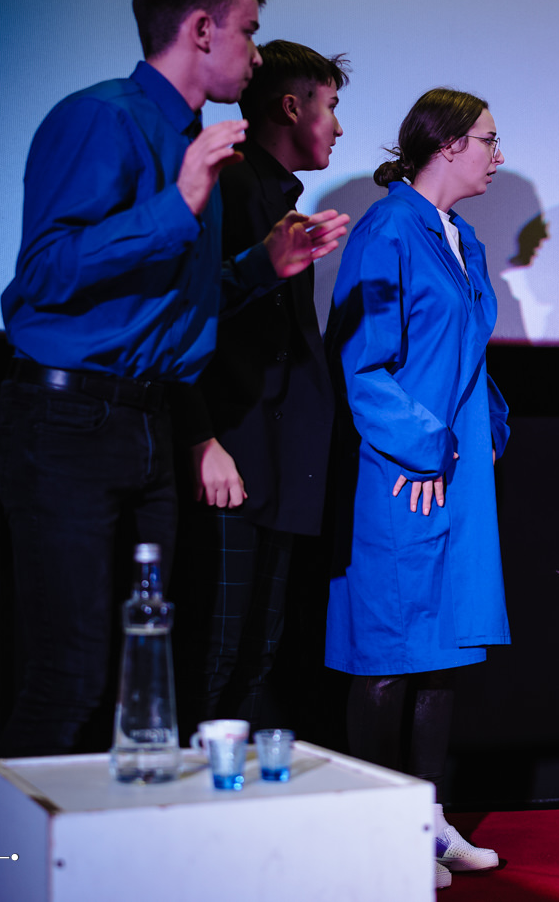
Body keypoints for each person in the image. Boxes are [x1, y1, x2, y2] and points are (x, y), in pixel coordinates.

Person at [0, 0, 350, 757]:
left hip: (149, 425)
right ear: (200, 29)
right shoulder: (102, 118)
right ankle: (1, 844)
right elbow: (42, 275)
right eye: (248, 31)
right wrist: (178, 201)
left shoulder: (201, 144)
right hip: (68, 419)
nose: (255, 54)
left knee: (144, 677)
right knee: (70, 677)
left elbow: (182, 305)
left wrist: (264, 266)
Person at [325, 89, 511, 888]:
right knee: (389, 652)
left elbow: (466, 353)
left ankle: (427, 823)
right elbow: (362, 361)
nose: (498, 155)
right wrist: (421, 449)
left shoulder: (462, 238)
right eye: (489, 140)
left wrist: (489, 428)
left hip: (454, 475)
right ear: (447, 143)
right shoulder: (390, 228)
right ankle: (379, 832)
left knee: (441, 651)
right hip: (403, 471)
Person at [180, 40, 349, 723]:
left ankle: (234, 791)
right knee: (216, 655)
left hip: (276, 464)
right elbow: (184, 319)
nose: (338, 126)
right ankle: (181, 791)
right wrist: (201, 438)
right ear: (291, 107)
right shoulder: (230, 187)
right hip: (232, 456)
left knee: (256, 655)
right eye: (330, 106)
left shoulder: (280, 197)